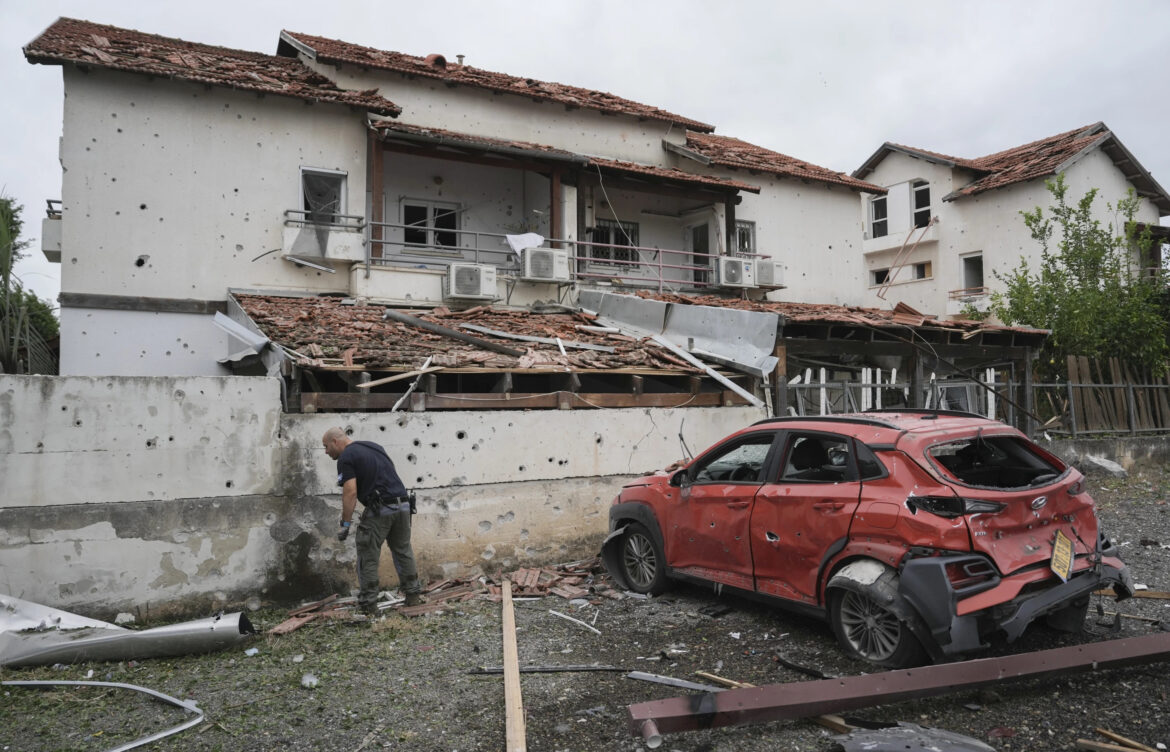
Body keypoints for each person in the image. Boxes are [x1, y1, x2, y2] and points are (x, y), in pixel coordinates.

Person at [321, 427, 425, 614]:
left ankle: (369, 605)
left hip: (380, 508)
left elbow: (350, 491)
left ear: (335, 441)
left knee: (368, 554)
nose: (326, 451)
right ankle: (413, 597)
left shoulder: (346, 457)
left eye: (326, 446)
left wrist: (345, 524)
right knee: (403, 550)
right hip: (402, 505)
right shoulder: (374, 446)